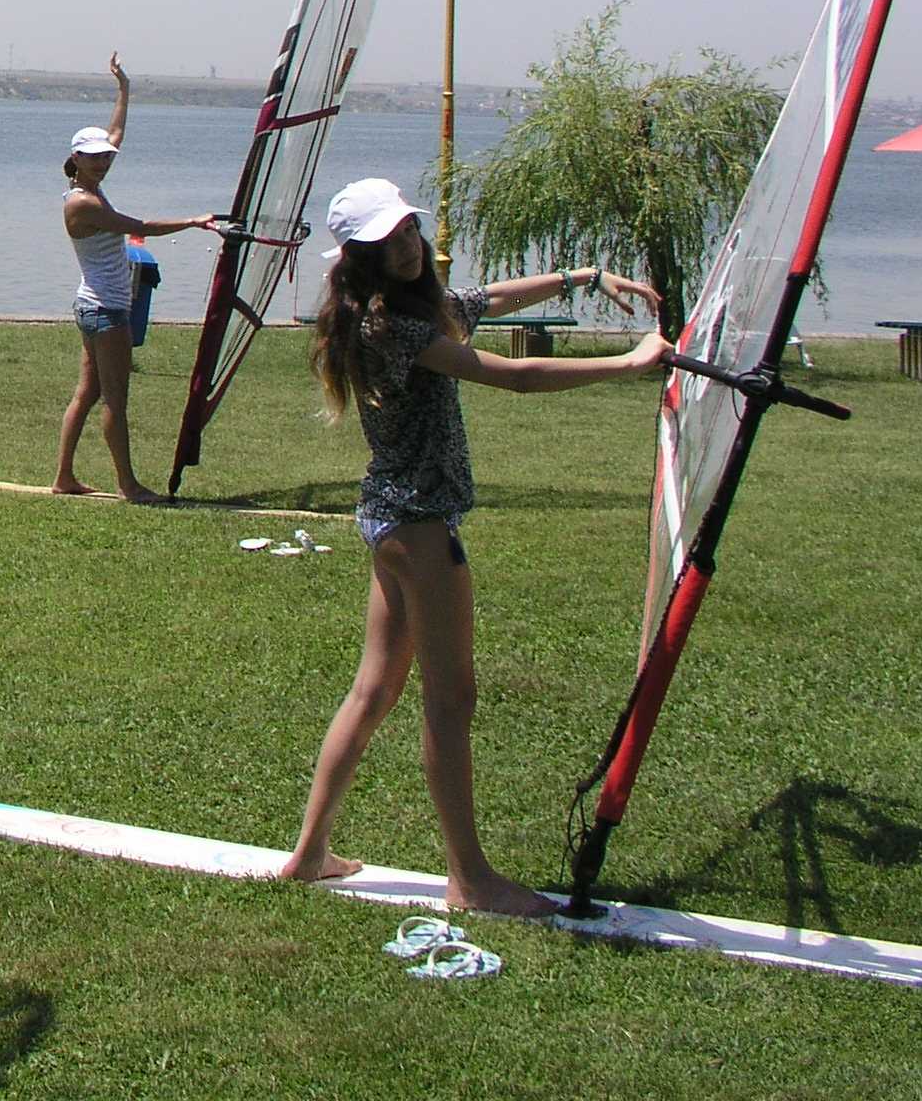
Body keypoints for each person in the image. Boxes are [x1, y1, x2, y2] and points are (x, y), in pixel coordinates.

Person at [278, 176, 667, 916]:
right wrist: (628, 364)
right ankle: (470, 879)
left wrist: (583, 276)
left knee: (374, 690)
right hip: (419, 526)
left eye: (408, 232)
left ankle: (311, 856)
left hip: (392, 517)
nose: (405, 247)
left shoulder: (408, 310)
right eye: (386, 241)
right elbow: (511, 376)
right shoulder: (392, 326)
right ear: (359, 258)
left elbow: (487, 299)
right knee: (450, 698)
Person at [53, 54, 216, 501]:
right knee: (115, 401)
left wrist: (123, 88)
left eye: (106, 157)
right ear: (76, 160)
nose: (103, 162)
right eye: (94, 158)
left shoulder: (91, 185)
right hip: (105, 309)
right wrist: (193, 221)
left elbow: (116, 133)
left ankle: (64, 478)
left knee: (87, 393)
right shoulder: (82, 204)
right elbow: (140, 227)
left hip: (94, 305)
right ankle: (128, 485)